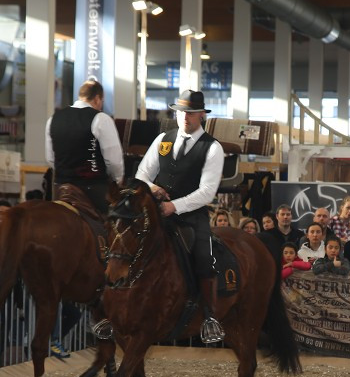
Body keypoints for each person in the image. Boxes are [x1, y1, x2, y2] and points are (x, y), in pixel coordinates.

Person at [136, 89, 226, 343]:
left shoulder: (212, 147)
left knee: (203, 258)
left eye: (190, 113)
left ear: (201, 116)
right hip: (157, 213)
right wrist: (152, 188)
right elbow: (142, 173)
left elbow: (207, 192)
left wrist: (174, 206)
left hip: (192, 217)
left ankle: (209, 317)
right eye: (181, 112)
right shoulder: (163, 139)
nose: (185, 117)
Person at [46, 80, 125, 217]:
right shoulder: (101, 119)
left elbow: (50, 159)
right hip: (92, 190)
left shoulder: (53, 119)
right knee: (107, 230)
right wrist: (117, 180)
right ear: (97, 98)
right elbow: (113, 161)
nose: (101, 105)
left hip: (60, 189)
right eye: (101, 101)